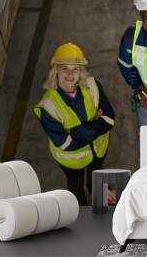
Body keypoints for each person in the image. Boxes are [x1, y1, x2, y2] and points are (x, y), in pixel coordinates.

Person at [33, 42, 115, 205]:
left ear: (81, 72)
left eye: (75, 69)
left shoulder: (92, 85)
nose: (70, 75)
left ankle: (101, 202)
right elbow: (66, 144)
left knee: (98, 183)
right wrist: (94, 124)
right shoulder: (48, 106)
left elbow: (110, 119)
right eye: (64, 69)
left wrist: (75, 131)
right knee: (76, 194)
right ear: (55, 71)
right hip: (72, 162)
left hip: (98, 153)